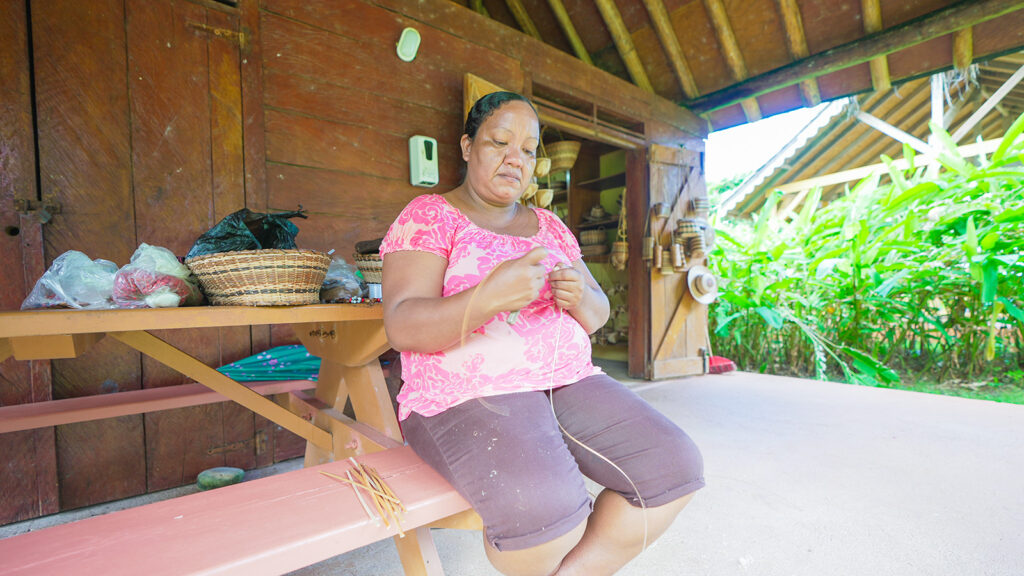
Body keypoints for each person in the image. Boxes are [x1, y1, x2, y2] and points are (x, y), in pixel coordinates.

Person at [380, 91, 704, 576]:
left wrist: (580, 297)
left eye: (529, 150)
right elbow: (402, 324)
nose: (516, 159)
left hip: (569, 380)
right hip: (465, 392)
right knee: (547, 510)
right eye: (499, 142)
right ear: (468, 146)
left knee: (673, 465)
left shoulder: (551, 226)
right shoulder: (429, 216)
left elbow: (596, 314)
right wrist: (487, 296)